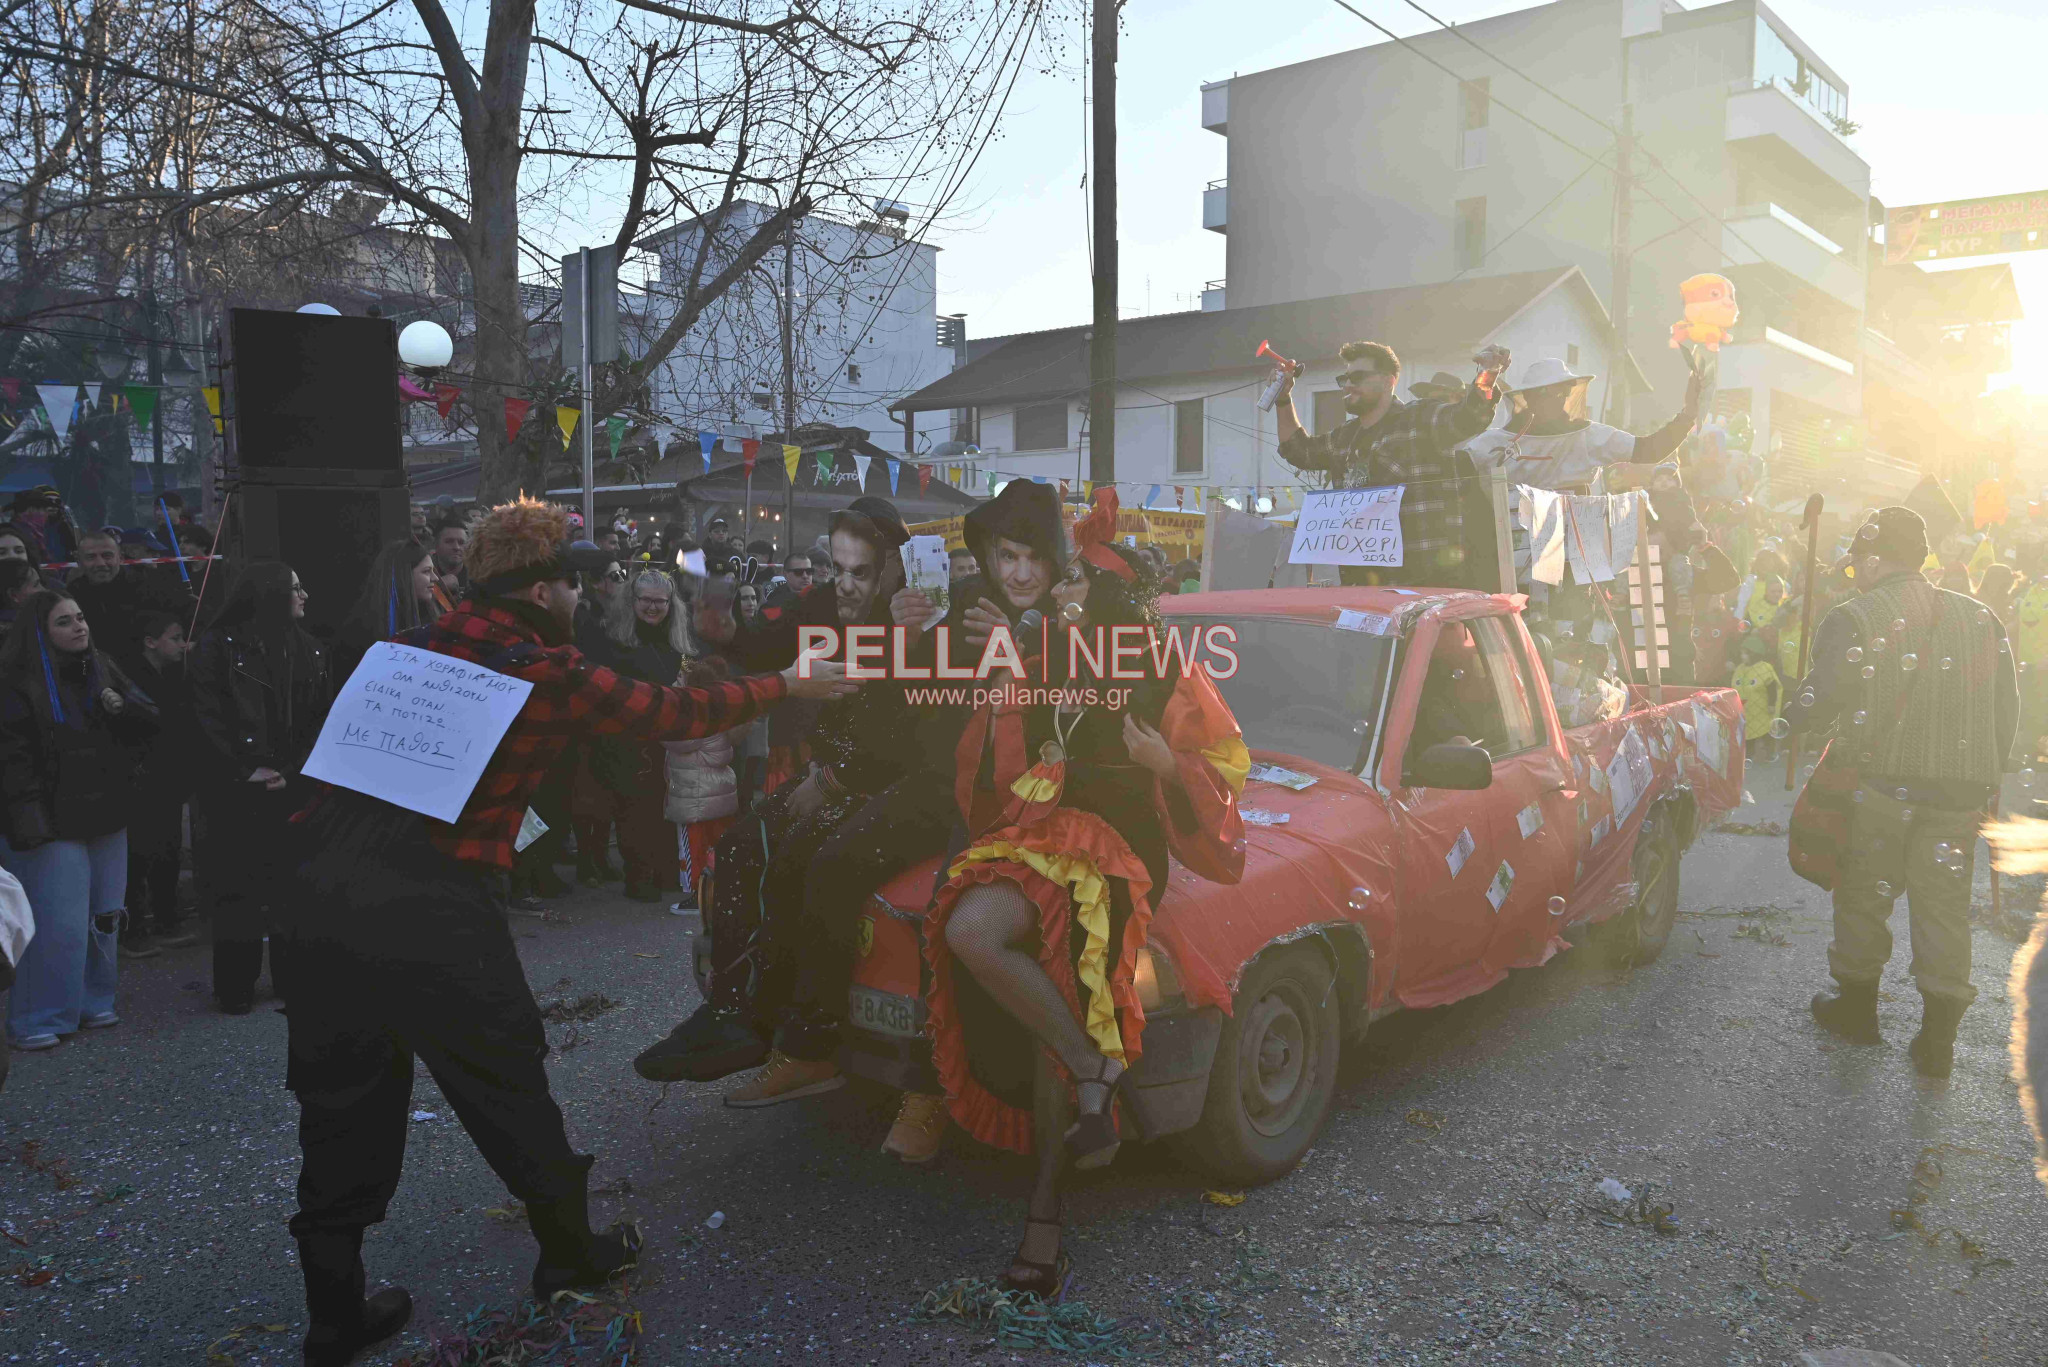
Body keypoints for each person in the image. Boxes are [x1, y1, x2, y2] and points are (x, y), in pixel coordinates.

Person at [276, 498, 855, 1365]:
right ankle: (570, 1255)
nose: (581, 597)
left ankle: (333, 1312)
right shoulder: (543, 666)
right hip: (428, 906)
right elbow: (671, 713)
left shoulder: (396, 650)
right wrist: (788, 686)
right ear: (544, 590)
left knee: (339, 1098)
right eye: (573, 583)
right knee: (506, 1079)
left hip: (315, 898)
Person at [922, 484, 1247, 1292]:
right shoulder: (1023, 642)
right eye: (1020, 561)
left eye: (1061, 574)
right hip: (1042, 835)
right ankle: (1093, 1068)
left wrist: (1166, 764)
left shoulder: (1148, 654)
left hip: (1118, 845)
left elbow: (1224, 759)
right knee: (968, 931)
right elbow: (973, 745)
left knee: (1060, 975)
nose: (1040, 582)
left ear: (1098, 586)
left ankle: (1043, 1225)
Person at [1781, 506, 2020, 1079]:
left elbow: (1825, 700)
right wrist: (1988, 775)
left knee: (1864, 893)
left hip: (1882, 786)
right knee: (1944, 911)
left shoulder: (1854, 618)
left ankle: (1857, 1011)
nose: (1854, 572)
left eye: (1857, 561)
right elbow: (2005, 709)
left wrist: (1794, 711)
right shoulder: (1982, 617)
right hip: (1960, 794)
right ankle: (1937, 1041)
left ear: (1873, 558)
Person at [0, 591, 158, 1049]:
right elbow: (13, 759)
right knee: (57, 922)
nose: (79, 627)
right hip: (47, 819)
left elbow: (152, 721)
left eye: (81, 617)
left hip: (106, 810)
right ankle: (38, 1017)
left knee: (104, 917)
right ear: (41, 632)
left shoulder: (103, 665)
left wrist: (123, 708)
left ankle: (93, 1000)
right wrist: (28, 822)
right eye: (64, 622)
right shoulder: (14, 681)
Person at [189, 561, 332, 1014]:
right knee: (239, 889)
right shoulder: (216, 650)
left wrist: (292, 769)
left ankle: (292, 979)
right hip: (236, 789)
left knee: (293, 886)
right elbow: (203, 717)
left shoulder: (310, 650)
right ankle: (236, 986)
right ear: (270, 595)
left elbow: (319, 721)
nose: (304, 595)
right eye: (294, 588)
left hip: (292, 783)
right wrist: (241, 770)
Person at [1274, 341, 1505, 586]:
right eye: (1346, 378)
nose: (1349, 384)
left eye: (1359, 377)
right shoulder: (1344, 436)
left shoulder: (1420, 419)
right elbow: (1299, 451)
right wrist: (1282, 398)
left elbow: (1470, 416)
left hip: (1425, 584)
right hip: (1362, 584)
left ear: (1388, 381)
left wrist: (1488, 373)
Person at [581, 568, 694, 902]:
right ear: (632, 601)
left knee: (666, 805)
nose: (653, 607)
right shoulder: (611, 639)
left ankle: (665, 871)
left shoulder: (679, 641)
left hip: (669, 737)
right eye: (646, 600)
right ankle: (639, 876)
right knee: (635, 809)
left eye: (661, 601)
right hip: (626, 737)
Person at [1463, 357, 1703, 494]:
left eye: (1563, 392)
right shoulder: (1494, 442)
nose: (1559, 398)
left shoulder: (1589, 436)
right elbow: (1452, 468)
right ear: (1531, 397)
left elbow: (1649, 450)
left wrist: (1688, 414)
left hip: (1574, 543)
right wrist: (1485, 376)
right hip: (1510, 546)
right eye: (1549, 393)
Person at [118, 611, 201, 958]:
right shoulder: (132, 679)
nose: (183, 644)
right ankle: (134, 928)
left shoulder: (170, 673)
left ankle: (167, 919)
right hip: (143, 778)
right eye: (176, 638)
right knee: (140, 854)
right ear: (151, 642)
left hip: (166, 777)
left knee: (166, 848)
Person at [66, 528, 191, 661]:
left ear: (121, 558)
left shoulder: (149, 587)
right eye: (91, 557)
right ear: (79, 561)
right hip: (92, 668)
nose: (100, 564)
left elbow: (189, 613)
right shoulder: (72, 595)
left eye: (107, 556)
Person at [334, 539, 438, 681]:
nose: (435, 578)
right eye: (426, 571)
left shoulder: (434, 622)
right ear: (403, 575)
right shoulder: (360, 631)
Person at [427, 511, 468, 610]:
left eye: (461, 542)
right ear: (435, 544)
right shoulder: (422, 573)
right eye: (449, 541)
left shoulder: (479, 575)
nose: (456, 547)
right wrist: (438, 588)